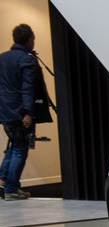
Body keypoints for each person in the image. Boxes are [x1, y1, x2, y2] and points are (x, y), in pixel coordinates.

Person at [0, 24, 51, 201]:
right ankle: (12, 189)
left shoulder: (2, 58)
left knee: (14, 146)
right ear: (30, 39)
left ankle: (2, 183)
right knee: (20, 149)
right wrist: (29, 113)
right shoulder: (27, 60)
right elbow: (28, 89)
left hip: (5, 112)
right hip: (21, 112)